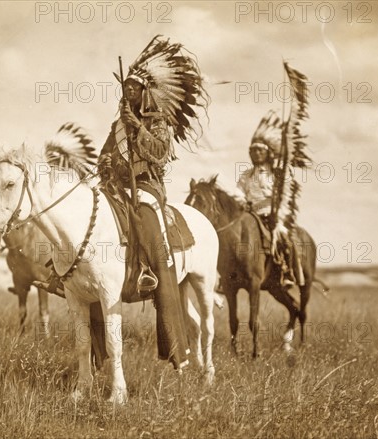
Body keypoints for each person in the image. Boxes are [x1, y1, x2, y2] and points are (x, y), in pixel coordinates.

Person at [98, 36, 209, 370]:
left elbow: (160, 154)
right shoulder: (117, 125)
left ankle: (151, 272)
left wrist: (139, 131)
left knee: (148, 223)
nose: (128, 93)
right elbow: (105, 155)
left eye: (134, 89)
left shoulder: (155, 121)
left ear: (144, 92)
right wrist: (104, 169)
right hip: (117, 188)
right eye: (126, 89)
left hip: (147, 188)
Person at [233, 111, 298, 288]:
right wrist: (243, 202)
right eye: (252, 151)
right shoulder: (246, 175)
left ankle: (286, 271)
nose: (255, 154)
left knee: (282, 238)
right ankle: (230, 275)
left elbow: (286, 195)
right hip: (250, 214)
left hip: (273, 215)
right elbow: (238, 192)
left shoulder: (278, 174)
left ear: (267, 153)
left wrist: (275, 210)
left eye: (259, 150)